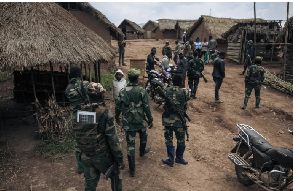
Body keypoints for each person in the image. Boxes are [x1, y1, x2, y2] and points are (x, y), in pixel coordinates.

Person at [65, 67, 125, 191]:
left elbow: (83, 130)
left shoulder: (79, 114)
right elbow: (113, 141)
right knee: (116, 175)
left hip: (86, 155)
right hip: (100, 156)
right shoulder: (104, 114)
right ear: (102, 95)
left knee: (89, 184)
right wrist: (119, 159)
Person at [115, 69, 153, 177]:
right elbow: (146, 107)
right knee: (143, 136)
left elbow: (117, 107)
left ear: (128, 79)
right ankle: (142, 152)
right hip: (140, 120)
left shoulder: (122, 91)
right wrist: (150, 119)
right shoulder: (142, 91)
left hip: (128, 122)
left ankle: (132, 170)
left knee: (130, 144)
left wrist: (117, 118)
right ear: (137, 79)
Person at [162, 74, 190, 167]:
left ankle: (170, 160)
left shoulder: (166, 90)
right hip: (179, 121)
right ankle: (179, 158)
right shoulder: (184, 92)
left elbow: (161, 100)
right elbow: (187, 100)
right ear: (181, 82)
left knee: (169, 139)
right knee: (181, 139)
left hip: (168, 120)